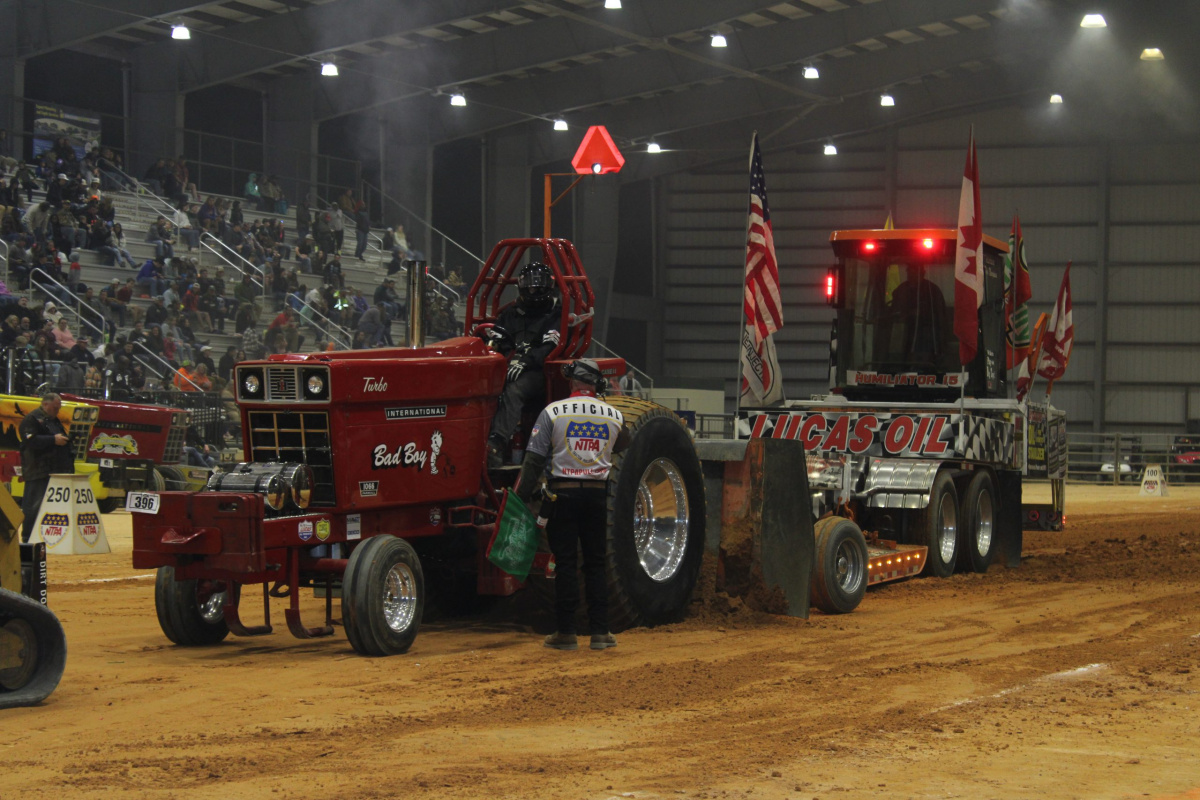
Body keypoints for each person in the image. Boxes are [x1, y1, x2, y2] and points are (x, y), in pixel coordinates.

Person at [516, 359, 629, 651]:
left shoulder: (552, 412)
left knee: (565, 563)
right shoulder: (614, 415)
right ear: (597, 384)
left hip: (561, 496)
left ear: (572, 383)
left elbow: (534, 460)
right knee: (595, 563)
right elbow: (622, 444)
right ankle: (601, 633)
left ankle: (566, 632)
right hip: (596, 496)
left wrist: (519, 498)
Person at [485, 261, 561, 469]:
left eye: (539, 286)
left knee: (514, 388)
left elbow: (549, 348)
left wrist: (526, 361)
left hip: (541, 372)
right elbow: (495, 338)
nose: (534, 290)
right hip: (508, 366)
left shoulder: (556, 314)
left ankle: (496, 443)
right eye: (531, 286)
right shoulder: (510, 313)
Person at [18, 393, 74, 542]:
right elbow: (30, 441)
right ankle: (27, 537)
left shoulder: (53, 420)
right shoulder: (31, 419)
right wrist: (53, 439)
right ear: (45, 404)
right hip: (37, 470)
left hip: (53, 470)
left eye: (59, 408)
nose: (58, 411)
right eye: (55, 408)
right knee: (33, 506)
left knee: (49, 508)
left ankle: (45, 536)